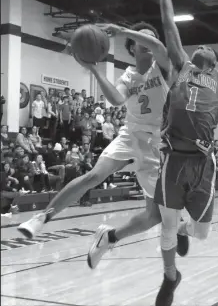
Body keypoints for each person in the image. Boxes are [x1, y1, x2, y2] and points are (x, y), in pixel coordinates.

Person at [18, 21, 187, 263]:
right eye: (143, 38)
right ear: (132, 48)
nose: (148, 41)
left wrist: (123, 31)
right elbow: (116, 99)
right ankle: (42, 217)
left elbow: (159, 46)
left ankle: (110, 237)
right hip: (130, 135)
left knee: (153, 216)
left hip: (157, 142)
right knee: (93, 176)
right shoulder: (128, 76)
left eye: (150, 37)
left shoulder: (163, 68)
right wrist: (94, 69)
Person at [153, 0, 218, 305]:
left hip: (204, 163)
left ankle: (187, 229)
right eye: (200, 45)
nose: (204, 45)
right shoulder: (182, 66)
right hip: (173, 158)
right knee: (165, 227)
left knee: (202, 234)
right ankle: (170, 277)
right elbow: (168, 22)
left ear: (217, 58)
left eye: (210, 46)